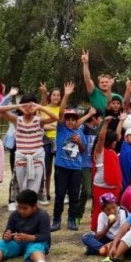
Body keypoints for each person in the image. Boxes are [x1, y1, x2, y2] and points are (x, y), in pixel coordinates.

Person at [52, 83, 88, 232]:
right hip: (61, 167)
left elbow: (84, 151)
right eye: (68, 119)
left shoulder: (80, 133)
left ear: (77, 121)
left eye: (74, 119)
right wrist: (66, 95)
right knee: (60, 194)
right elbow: (60, 112)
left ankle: (72, 219)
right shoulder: (61, 129)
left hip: (76, 169)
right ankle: (56, 220)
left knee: (74, 195)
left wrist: (80, 143)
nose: (71, 122)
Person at [80, 193, 128, 257]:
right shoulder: (102, 215)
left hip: (120, 239)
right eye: (108, 210)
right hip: (108, 239)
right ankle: (104, 249)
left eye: (114, 207)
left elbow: (125, 232)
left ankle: (97, 250)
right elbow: (99, 236)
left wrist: (113, 243)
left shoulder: (122, 211)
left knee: (127, 243)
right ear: (103, 210)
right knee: (86, 237)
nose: (112, 211)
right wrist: (108, 226)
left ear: (117, 205)